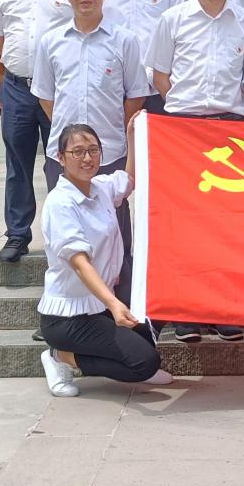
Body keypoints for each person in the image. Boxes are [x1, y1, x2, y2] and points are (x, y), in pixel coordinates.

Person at [147, 0, 244, 343]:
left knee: (226, 225)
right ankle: (186, 313)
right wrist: (183, 108)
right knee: (183, 224)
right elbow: (159, 75)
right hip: (182, 131)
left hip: (229, 129)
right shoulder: (172, 19)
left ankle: (223, 310)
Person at [32, 0, 148, 300]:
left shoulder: (125, 40)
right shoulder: (51, 41)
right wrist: (74, 141)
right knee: (66, 227)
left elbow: (135, 93)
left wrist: (110, 134)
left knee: (115, 231)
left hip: (109, 151)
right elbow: (45, 95)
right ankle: (69, 303)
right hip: (63, 156)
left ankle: (122, 304)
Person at [38, 122, 174, 397]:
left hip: (101, 306)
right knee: (144, 363)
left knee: (157, 300)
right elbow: (80, 264)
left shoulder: (100, 187)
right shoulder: (60, 203)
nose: (87, 158)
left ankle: (135, 351)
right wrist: (114, 304)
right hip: (69, 317)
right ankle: (61, 357)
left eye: (93, 150)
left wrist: (132, 136)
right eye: (77, 152)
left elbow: (129, 179)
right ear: (61, 157)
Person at [0, 0, 71, 264]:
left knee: (62, 161)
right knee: (17, 163)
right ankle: (18, 234)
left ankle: (64, 234)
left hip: (60, 89)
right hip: (18, 87)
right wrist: (22, 66)